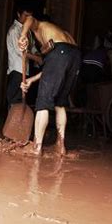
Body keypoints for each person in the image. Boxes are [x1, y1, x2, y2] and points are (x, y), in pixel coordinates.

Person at [18, 8, 81, 156]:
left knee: (43, 102)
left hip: (61, 54)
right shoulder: (61, 36)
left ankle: (36, 147)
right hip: (75, 56)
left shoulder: (40, 25)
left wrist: (22, 36)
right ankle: (61, 145)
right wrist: (31, 80)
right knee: (60, 103)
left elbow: (30, 19)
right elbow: (53, 68)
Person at [6, 11, 42, 108]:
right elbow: (20, 51)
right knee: (14, 99)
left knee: (21, 99)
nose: (27, 19)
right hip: (17, 69)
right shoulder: (14, 30)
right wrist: (37, 58)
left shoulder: (28, 31)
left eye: (29, 16)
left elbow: (32, 47)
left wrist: (37, 54)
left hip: (26, 70)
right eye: (25, 15)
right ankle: (13, 121)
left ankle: (19, 121)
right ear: (18, 14)